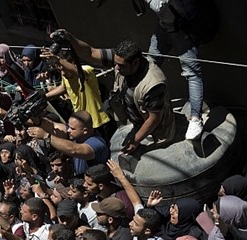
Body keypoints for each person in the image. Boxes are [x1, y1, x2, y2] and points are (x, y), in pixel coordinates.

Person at [64, 32, 175, 153]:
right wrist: (70, 39)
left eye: (121, 66)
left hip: (155, 130)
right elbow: (90, 53)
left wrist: (135, 141)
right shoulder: (120, 59)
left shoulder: (154, 84)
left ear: (135, 63)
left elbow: (154, 119)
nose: (116, 67)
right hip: (135, 120)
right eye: (115, 63)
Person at [144, 0, 205, 140]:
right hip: (164, 26)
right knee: (150, 66)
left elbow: (158, 5)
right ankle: (152, 116)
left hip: (182, 27)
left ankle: (196, 119)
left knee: (192, 74)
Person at [28, 111, 109, 177]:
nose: (68, 130)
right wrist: (37, 121)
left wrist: (47, 136)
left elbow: (73, 149)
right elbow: (52, 126)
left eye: (72, 128)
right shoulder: (75, 135)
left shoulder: (96, 142)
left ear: (85, 131)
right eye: (69, 126)